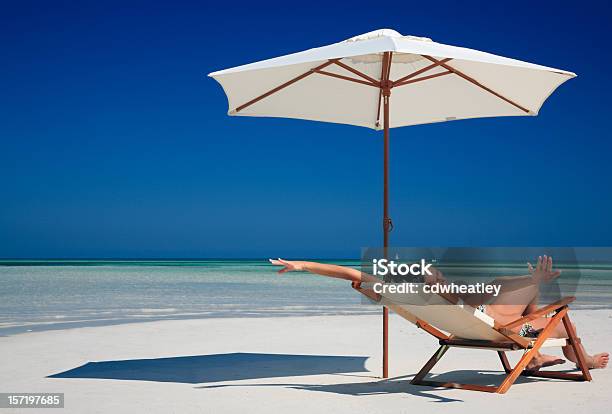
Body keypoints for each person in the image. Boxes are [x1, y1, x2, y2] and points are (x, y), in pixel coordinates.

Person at [269, 256, 608, 370]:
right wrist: (531, 281)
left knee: (516, 290)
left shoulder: (411, 295)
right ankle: (581, 359)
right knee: (560, 313)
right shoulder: (447, 294)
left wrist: (303, 265)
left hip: (484, 329)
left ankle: (532, 359)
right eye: (432, 273)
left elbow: (353, 275)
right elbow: (354, 275)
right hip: (508, 330)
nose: (436, 274)